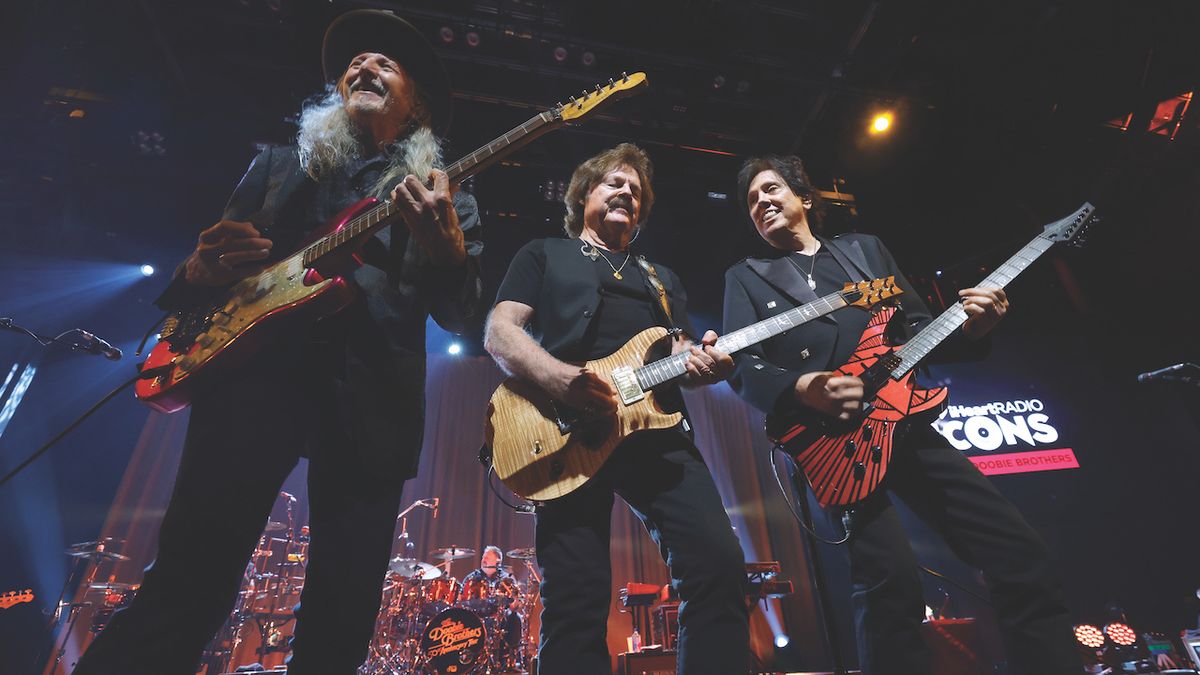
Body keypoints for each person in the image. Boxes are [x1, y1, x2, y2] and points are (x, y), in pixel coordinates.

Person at [74, 10, 482, 674]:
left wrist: (450, 254)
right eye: (355, 60)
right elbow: (204, 279)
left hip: (371, 399)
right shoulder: (274, 166)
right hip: (252, 381)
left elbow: (465, 317)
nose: (364, 65)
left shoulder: (447, 196)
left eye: (386, 62)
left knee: (342, 613)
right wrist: (198, 269)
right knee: (187, 582)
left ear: (417, 108)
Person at [722, 155, 1081, 675]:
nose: (761, 203)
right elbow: (740, 364)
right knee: (889, 583)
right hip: (833, 443)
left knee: (1020, 553)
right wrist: (805, 386)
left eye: (771, 189)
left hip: (905, 423)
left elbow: (917, 330)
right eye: (751, 201)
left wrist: (974, 329)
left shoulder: (863, 251)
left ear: (804, 198)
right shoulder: (746, 276)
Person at [484, 143, 750, 675]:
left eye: (636, 190)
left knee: (718, 566)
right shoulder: (543, 254)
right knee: (576, 598)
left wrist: (704, 364)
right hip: (567, 429)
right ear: (584, 195)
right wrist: (561, 379)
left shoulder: (660, 277)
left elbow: (675, 349)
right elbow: (499, 331)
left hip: (656, 430)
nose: (626, 191)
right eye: (613, 183)